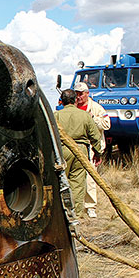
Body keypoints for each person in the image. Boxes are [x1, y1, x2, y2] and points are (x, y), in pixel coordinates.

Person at [54, 89, 103, 217]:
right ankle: (74, 214)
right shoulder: (85, 115)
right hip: (80, 152)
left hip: (62, 151)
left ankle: (60, 213)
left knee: (60, 182)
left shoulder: (56, 115)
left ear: (62, 101)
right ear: (75, 100)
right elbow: (95, 136)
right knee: (77, 184)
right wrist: (98, 153)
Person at [74, 82, 110, 218]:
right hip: (76, 146)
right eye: (76, 94)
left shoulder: (96, 108)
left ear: (87, 94)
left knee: (90, 178)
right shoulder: (73, 107)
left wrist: (92, 119)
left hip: (91, 147)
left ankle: (90, 206)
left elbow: (107, 124)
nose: (78, 97)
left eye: (81, 94)